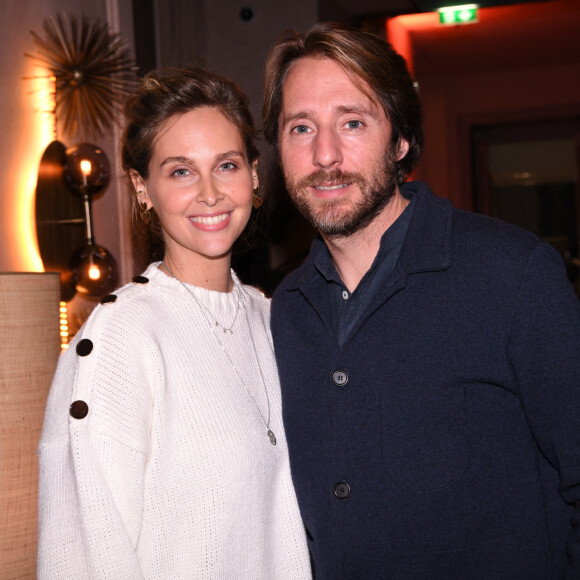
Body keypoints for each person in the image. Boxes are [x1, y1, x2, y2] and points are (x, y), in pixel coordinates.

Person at [263, 22, 580, 579]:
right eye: (301, 128)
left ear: (401, 140)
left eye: (353, 122)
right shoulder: (283, 309)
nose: (325, 154)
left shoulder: (513, 274)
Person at [37, 66, 311, 579]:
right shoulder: (118, 339)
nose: (209, 193)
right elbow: (86, 552)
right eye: (180, 171)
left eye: (226, 165)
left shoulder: (277, 320)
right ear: (143, 188)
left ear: (254, 176)